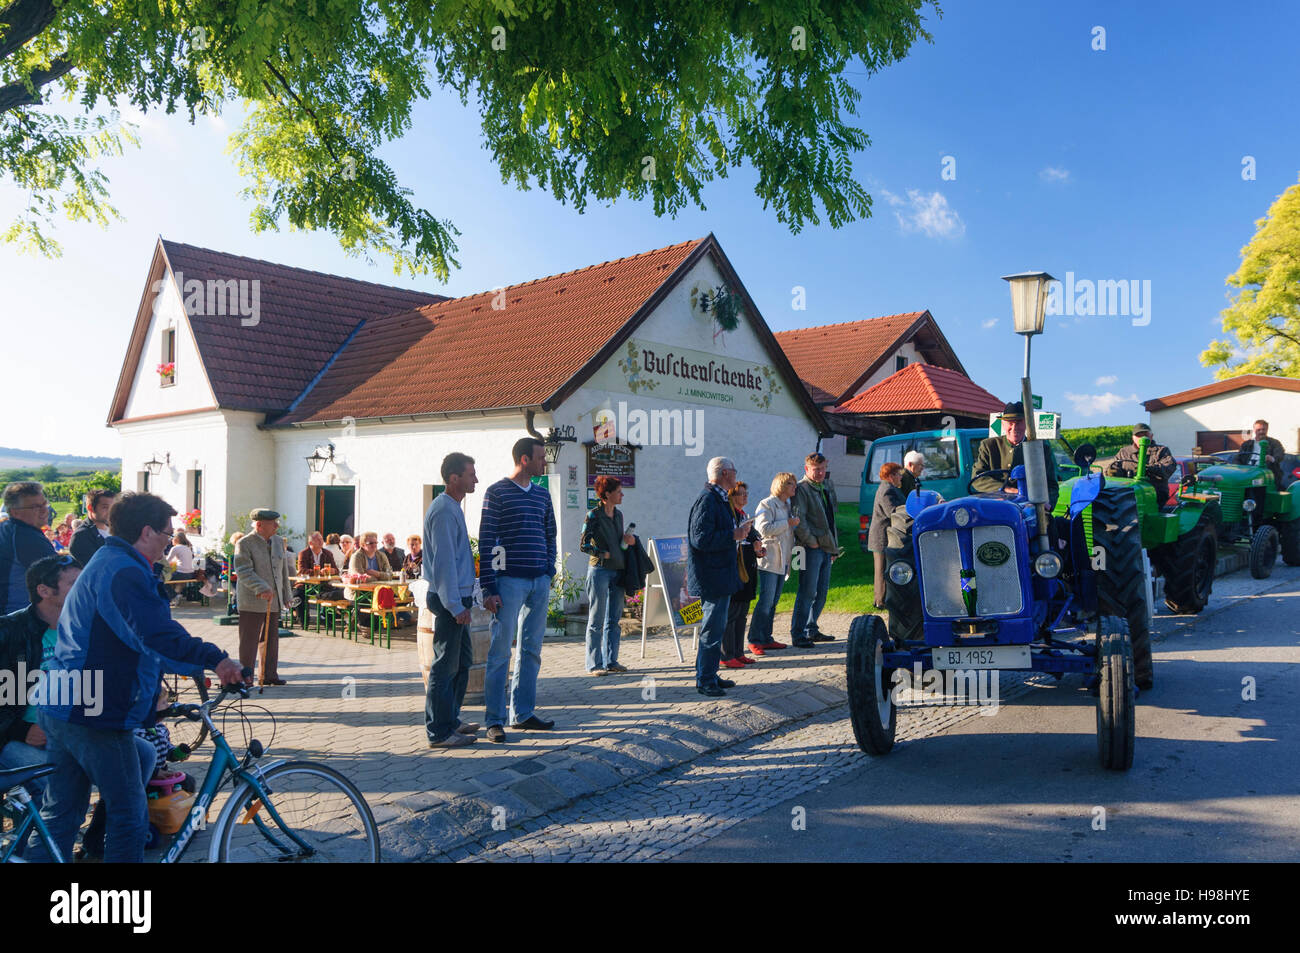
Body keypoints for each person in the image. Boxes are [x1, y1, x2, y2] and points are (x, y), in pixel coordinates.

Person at [27, 493, 242, 863]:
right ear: (146, 532)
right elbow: (155, 635)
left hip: (65, 702)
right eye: (165, 533)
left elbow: (133, 638)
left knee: (61, 814)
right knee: (128, 814)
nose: (168, 541)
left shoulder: (110, 561)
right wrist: (217, 659)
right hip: (94, 710)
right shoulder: (123, 571)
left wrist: (195, 667)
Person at [478, 436, 559, 741]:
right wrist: (488, 588)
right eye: (540, 458)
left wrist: (549, 569)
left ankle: (522, 714)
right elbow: (486, 541)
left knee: (531, 651)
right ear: (525, 459)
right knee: (500, 651)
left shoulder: (541, 495)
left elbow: (550, 533)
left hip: (539, 580)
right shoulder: (496, 492)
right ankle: (494, 720)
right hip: (508, 582)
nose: (544, 463)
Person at [0, 556, 81, 800]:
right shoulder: (10, 632)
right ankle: (46, 833)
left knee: (143, 755)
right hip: (17, 739)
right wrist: (20, 730)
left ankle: (98, 833)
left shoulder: (85, 628)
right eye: (75, 583)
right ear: (44, 591)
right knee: (64, 787)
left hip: (74, 733)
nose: (85, 588)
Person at [422, 452, 482, 749]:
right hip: (450, 599)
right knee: (445, 665)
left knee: (462, 660)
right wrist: (456, 606)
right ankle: (439, 730)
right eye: (471, 474)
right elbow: (445, 563)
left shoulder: (452, 507)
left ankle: (450, 719)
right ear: (454, 477)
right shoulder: (444, 511)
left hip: (457, 596)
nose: (476, 479)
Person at [687, 457, 750, 697]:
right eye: (733, 471)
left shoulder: (719, 498)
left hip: (720, 574)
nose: (735, 474)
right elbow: (700, 538)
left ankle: (710, 674)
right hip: (711, 576)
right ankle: (705, 680)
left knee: (716, 627)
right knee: (712, 629)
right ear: (724, 473)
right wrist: (732, 535)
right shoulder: (707, 500)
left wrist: (738, 533)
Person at [580, 475, 634, 675]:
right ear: (607, 494)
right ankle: (594, 664)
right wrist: (602, 553)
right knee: (596, 619)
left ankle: (612, 661)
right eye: (619, 491)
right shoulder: (593, 515)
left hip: (618, 570)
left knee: (614, 619)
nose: (622, 495)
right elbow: (583, 544)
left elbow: (619, 540)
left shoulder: (619, 515)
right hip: (600, 571)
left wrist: (628, 541)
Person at [233, 508, 293, 686]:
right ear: (259, 524)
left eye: (277, 522)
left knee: (271, 639)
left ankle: (269, 675)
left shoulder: (278, 541)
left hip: (273, 600)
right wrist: (262, 587)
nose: (276, 526)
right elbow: (243, 571)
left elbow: (283, 570)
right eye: (272, 523)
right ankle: (246, 677)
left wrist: (286, 594)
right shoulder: (245, 543)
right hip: (252, 599)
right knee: (249, 641)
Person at [790, 452, 840, 647]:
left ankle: (812, 629)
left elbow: (830, 519)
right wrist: (812, 542)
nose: (820, 473)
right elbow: (799, 520)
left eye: (822, 469)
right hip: (811, 548)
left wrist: (833, 547)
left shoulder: (824, 487)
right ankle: (798, 633)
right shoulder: (802, 489)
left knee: (821, 592)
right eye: (816, 469)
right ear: (807, 469)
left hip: (826, 548)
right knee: (807, 592)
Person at [972, 401, 1060, 508]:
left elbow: (1052, 486)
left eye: (1018, 422)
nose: (1014, 428)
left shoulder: (1040, 449)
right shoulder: (989, 446)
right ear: (1003, 424)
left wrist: (1046, 503)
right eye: (1010, 423)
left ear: (1026, 423)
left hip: (1030, 507)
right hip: (995, 505)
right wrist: (1005, 489)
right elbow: (978, 479)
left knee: (1047, 522)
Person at [749, 472, 797, 655]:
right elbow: (762, 529)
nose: (795, 487)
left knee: (774, 601)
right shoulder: (767, 504)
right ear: (782, 485)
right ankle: (754, 639)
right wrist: (788, 523)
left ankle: (766, 637)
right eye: (791, 484)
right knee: (766, 600)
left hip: (782, 558)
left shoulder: (787, 505)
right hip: (770, 559)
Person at [721, 481, 763, 669]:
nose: (745, 497)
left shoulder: (744, 515)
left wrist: (758, 547)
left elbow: (753, 536)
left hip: (748, 568)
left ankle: (738, 652)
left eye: (746, 493)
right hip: (735, 569)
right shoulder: (729, 515)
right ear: (732, 496)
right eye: (741, 494)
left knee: (742, 613)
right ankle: (726, 654)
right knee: (732, 613)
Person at [1, 482, 57, 614]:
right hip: (16, 619)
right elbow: (59, 576)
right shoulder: (26, 536)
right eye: (35, 507)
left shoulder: (7, 529)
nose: (45, 510)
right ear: (15, 512)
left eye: (44, 504)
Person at [869, 462, 908, 610]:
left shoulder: (891, 488)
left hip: (886, 536)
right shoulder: (886, 490)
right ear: (891, 476)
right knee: (881, 570)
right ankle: (880, 601)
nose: (900, 478)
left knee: (884, 569)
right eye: (899, 475)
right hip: (882, 538)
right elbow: (892, 512)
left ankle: (882, 599)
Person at [1107, 423, 1177, 502]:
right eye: (1139, 435)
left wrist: (1149, 469)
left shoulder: (1161, 450)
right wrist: (1112, 472)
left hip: (1155, 494)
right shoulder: (1124, 452)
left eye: (1145, 435)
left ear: (1151, 436)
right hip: (1128, 494)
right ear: (1133, 438)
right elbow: (1113, 468)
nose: (1142, 438)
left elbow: (1169, 467)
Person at [1237, 419, 1287, 487]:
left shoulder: (1275, 443)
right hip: (1247, 473)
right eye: (1258, 429)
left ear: (1267, 429)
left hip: (1266, 474)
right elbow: (1237, 458)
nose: (1261, 432)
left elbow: (1280, 455)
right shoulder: (1246, 444)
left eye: (1263, 429)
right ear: (1254, 430)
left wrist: (1271, 458)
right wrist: (1240, 470)